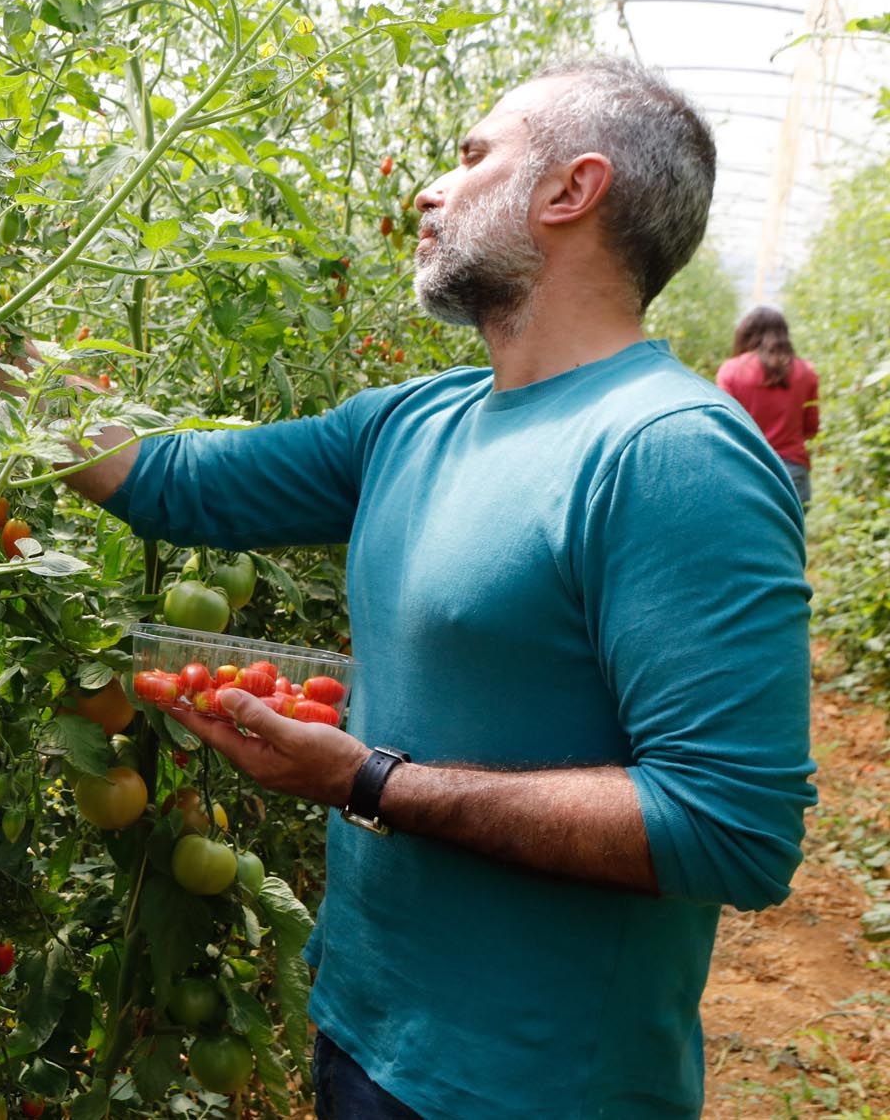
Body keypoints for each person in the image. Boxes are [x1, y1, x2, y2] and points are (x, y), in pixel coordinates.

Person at [58, 58, 815, 1118]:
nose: (429, 188)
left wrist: (369, 781)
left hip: (537, 1084)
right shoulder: (409, 421)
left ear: (568, 191)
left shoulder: (668, 453)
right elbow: (162, 480)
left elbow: (729, 825)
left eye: (470, 158)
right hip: (363, 1026)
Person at [715, 306, 819, 507]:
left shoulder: (731, 371)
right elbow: (811, 428)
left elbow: (723, 426)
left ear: (745, 334)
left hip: (745, 469)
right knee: (789, 538)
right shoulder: (806, 371)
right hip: (792, 471)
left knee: (745, 536)